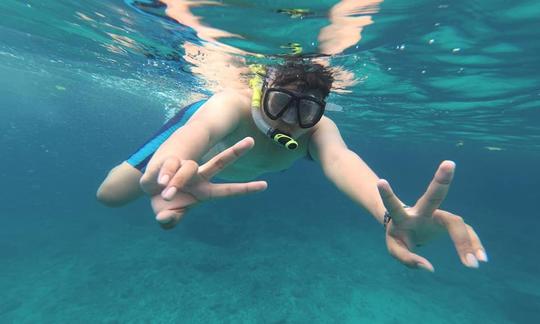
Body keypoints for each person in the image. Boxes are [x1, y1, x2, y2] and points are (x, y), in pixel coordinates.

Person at [97, 60, 487, 272]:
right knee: (111, 194)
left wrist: (393, 217)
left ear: (320, 111)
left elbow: (340, 160)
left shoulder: (317, 131)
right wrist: (171, 164)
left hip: (215, 172)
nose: (288, 121)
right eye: (281, 103)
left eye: (306, 110)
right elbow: (202, 126)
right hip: (188, 158)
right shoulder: (232, 105)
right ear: (260, 91)